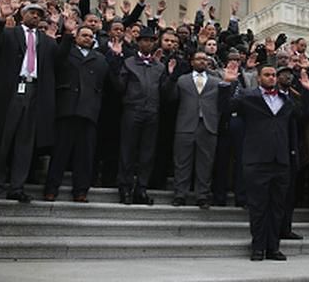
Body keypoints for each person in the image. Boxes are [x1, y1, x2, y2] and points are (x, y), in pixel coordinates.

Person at [0, 1, 57, 204]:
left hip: (34, 91)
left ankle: (17, 187)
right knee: (2, 141)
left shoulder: (46, 41)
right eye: (32, 13)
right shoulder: (9, 33)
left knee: (25, 144)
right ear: (22, 13)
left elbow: (60, 62)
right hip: (11, 91)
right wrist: (0, 20)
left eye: (40, 14)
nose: (36, 16)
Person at [231, 63, 309, 261]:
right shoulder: (249, 97)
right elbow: (226, 107)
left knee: (277, 207)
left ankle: (273, 247)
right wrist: (227, 84)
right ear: (259, 78)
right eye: (267, 75)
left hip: (281, 162)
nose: (271, 78)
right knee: (258, 207)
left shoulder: (286, 99)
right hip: (256, 161)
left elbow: (302, 115)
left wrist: (307, 91)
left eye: (274, 75)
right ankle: (258, 247)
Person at [43, 18, 112, 203]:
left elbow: (107, 81)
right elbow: (56, 60)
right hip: (67, 108)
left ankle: (81, 190)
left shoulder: (100, 58)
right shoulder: (67, 51)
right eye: (84, 35)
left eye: (91, 36)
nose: (88, 38)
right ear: (76, 37)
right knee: (60, 153)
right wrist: (66, 34)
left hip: (88, 112)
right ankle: (51, 188)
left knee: (85, 155)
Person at [164, 51, 231, 209]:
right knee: (182, 162)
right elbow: (170, 98)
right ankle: (180, 194)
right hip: (185, 125)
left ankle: (202, 195)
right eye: (199, 59)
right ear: (192, 61)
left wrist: (228, 84)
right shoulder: (182, 80)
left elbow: (225, 105)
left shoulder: (217, 81)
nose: (202, 61)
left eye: (205, 59)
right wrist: (171, 77)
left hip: (208, 125)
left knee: (205, 163)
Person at [110, 26, 169, 205]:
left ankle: (141, 189)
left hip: (152, 112)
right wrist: (115, 59)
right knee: (127, 150)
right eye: (144, 40)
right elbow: (119, 87)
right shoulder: (128, 62)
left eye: (151, 40)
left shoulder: (159, 66)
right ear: (138, 42)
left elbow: (164, 92)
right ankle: (125, 187)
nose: (147, 43)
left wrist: (171, 77)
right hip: (132, 111)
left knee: (147, 153)